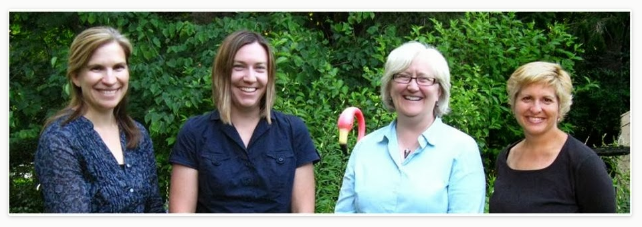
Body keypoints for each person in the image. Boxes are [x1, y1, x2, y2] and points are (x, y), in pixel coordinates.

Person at [168, 30, 320, 213]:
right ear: (223, 72)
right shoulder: (194, 133)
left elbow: (304, 215)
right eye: (239, 66)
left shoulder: (293, 131)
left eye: (259, 68)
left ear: (269, 76)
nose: (249, 78)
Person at [334, 41, 486, 213]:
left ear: (440, 91)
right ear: (389, 87)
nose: (412, 87)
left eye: (424, 79)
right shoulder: (365, 147)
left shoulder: (461, 149)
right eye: (402, 76)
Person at [34, 26, 165, 213]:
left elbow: (154, 209)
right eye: (97, 68)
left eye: (118, 67)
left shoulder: (136, 134)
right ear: (76, 77)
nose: (110, 79)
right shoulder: (60, 140)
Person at [489, 61, 616, 213]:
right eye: (527, 98)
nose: (535, 108)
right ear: (514, 103)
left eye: (546, 100)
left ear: (560, 107)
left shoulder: (583, 164)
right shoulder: (506, 158)